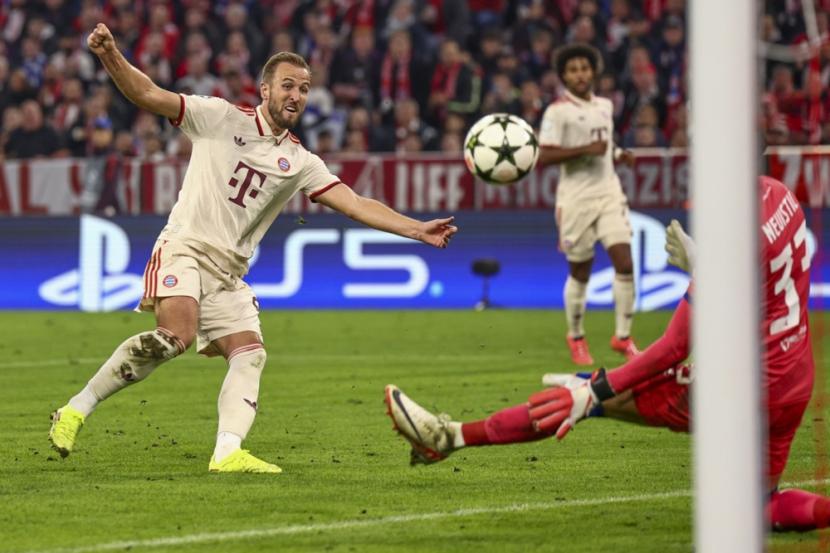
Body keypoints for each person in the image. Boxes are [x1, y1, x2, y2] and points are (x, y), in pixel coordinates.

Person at [48, 23, 458, 474]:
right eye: (288, 85)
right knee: (175, 338)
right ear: (265, 89)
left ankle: (227, 452)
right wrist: (110, 56)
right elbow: (148, 94)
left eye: (304, 88)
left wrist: (416, 229)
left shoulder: (301, 162)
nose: (296, 95)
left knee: (251, 353)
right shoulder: (219, 117)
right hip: (185, 247)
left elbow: (355, 203)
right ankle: (73, 410)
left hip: (228, 274)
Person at [385, 176, 830, 531]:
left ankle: (448, 438)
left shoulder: (732, 231)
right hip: (795, 382)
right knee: (762, 508)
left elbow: (675, 347)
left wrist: (596, 388)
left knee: (585, 396)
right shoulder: (781, 196)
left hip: (746, 389)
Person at [536, 44, 638, 365]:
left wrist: (619, 154)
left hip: (608, 193)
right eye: (573, 70)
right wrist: (584, 150)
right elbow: (544, 155)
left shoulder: (605, 106)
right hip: (575, 200)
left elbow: (605, 144)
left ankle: (622, 337)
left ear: (593, 71)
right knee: (580, 271)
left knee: (624, 261)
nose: (580, 74)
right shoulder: (557, 112)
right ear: (564, 76)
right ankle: (576, 335)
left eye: (584, 68)